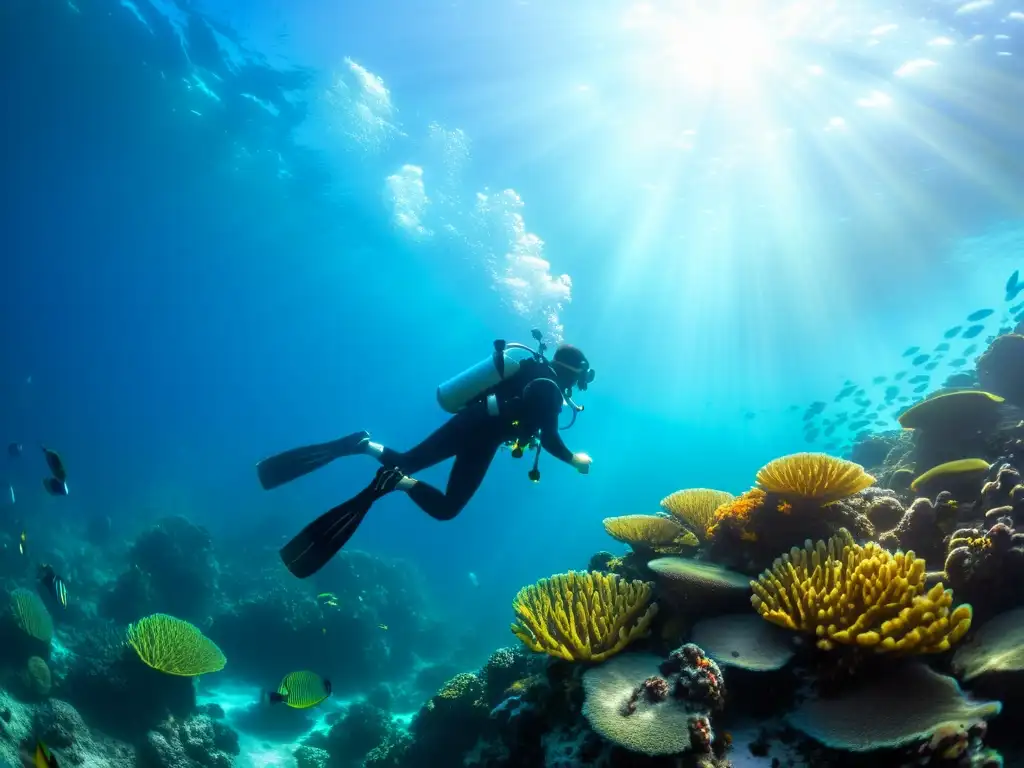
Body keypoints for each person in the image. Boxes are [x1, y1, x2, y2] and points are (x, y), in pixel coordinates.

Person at [259, 340, 595, 578]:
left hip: (475, 428)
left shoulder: (533, 372)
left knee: (414, 470)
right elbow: (550, 439)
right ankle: (391, 474)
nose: (580, 385)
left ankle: (365, 447)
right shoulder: (548, 387)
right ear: (574, 371)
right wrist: (574, 459)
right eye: (582, 377)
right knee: (445, 506)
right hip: (479, 434)